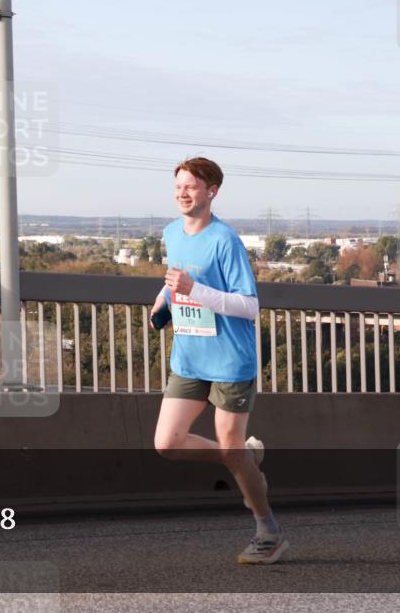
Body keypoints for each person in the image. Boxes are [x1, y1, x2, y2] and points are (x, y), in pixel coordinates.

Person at [150, 157, 288, 565]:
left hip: (229, 362)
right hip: (189, 357)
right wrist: (162, 302)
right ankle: (246, 458)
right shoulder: (171, 233)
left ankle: (268, 532)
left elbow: (249, 306)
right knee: (167, 443)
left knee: (232, 450)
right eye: (178, 186)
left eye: (191, 186)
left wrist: (194, 289)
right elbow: (175, 281)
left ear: (212, 191)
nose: (182, 193)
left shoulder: (225, 241)